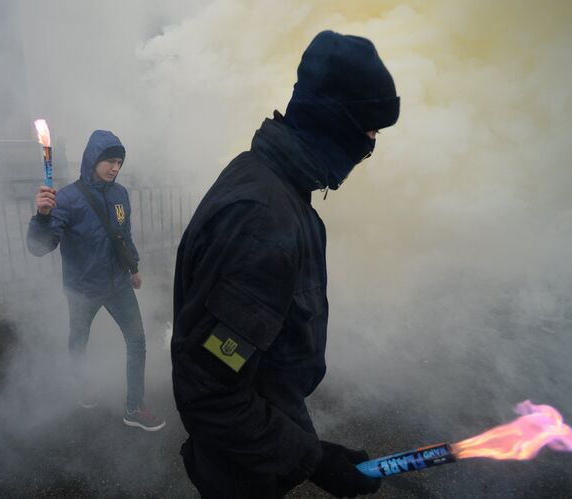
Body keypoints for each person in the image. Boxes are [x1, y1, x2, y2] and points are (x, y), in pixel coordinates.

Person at [171, 31, 400, 497]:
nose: (371, 146)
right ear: (337, 122)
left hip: (258, 447)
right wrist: (315, 460)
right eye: (369, 131)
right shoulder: (263, 223)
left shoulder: (269, 182)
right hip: (240, 471)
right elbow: (211, 394)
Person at [27, 130, 165, 431]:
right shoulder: (65, 199)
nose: (115, 168)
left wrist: (134, 267)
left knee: (137, 341)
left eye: (119, 162)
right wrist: (42, 216)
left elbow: (123, 236)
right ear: (93, 159)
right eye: (109, 161)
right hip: (82, 289)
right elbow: (40, 247)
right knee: (79, 338)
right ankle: (80, 385)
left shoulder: (120, 195)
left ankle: (134, 407)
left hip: (117, 284)